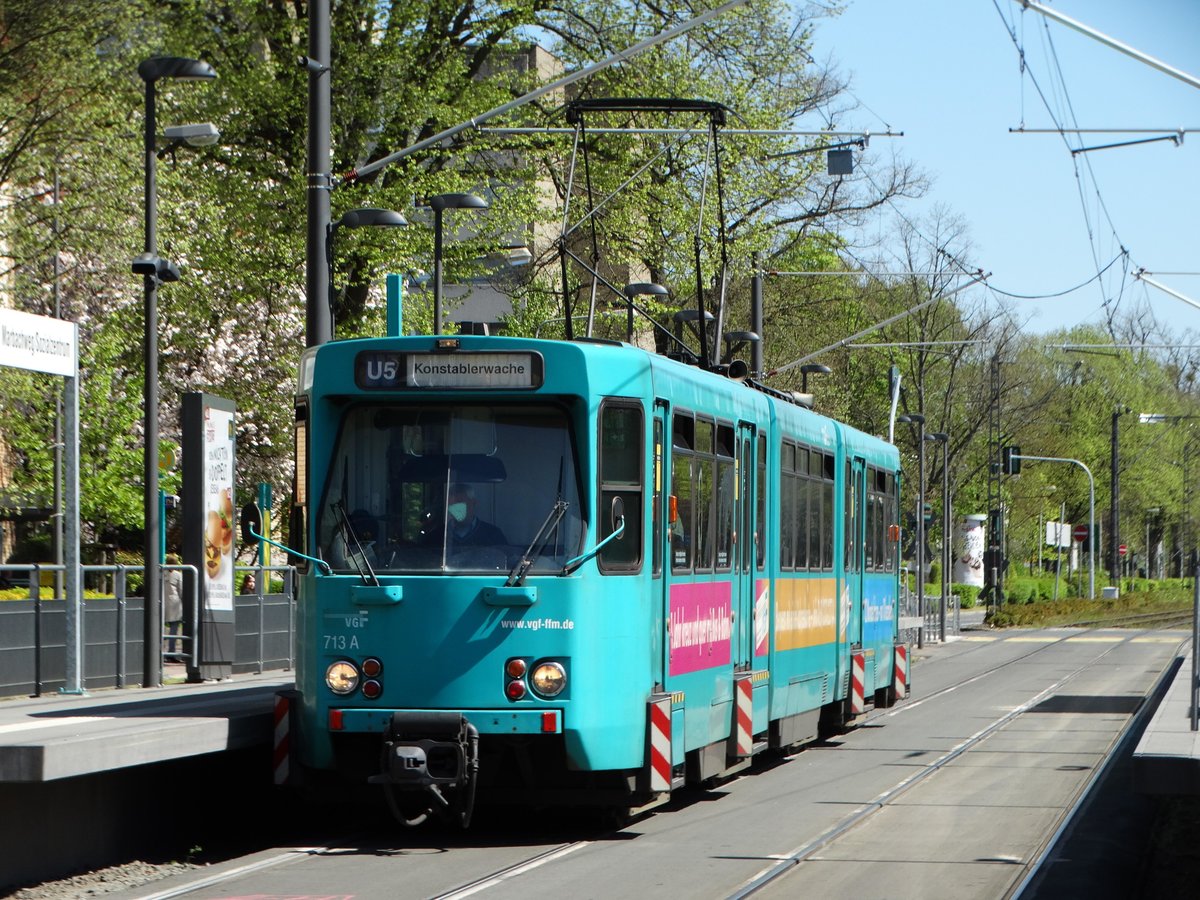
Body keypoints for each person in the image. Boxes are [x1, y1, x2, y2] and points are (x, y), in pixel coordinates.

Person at [445, 483, 506, 549]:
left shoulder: (493, 534)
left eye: (460, 502)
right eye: (451, 504)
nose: (456, 508)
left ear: (473, 503)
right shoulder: (438, 534)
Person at [163, 553, 184, 657]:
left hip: (163, 603)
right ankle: (171, 652)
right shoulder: (178, 575)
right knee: (174, 628)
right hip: (175, 604)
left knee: (161, 628)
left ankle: (160, 650)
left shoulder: (162, 573)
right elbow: (181, 590)